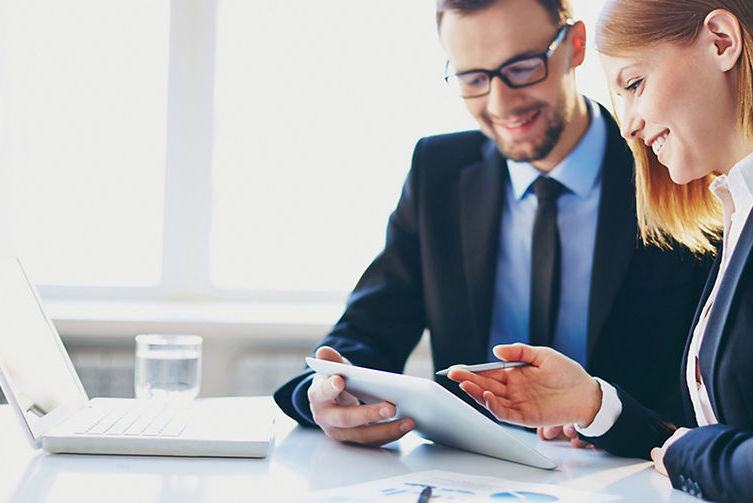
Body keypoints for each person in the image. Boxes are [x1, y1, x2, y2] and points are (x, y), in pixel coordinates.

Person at [448, 0, 753, 501]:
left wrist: (686, 453)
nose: (628, 125)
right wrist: (593, 404)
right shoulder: (742, 211)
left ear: (722, 41)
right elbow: (721, 443)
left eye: (634, 85)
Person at [273, 0, 713, 448]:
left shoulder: (673, 164)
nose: (501, 103)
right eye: (474, 79)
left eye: (522, 67)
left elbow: (713, 390)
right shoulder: (437, 172)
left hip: (632, 472)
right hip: (471, 472)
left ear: (576, 46)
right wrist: (325, 393)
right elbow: (368, 331)